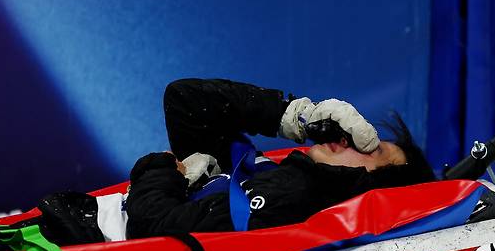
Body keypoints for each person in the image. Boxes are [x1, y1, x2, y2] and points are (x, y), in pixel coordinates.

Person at [125, 78, 436, 238]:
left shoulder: (292, 196)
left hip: (90, 240)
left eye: (374, 149)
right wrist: (297, 116)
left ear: (370, 189)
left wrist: (158, 171)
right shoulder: (275, 174)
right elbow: (187, 101)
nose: (348, 138)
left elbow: (156, 231)